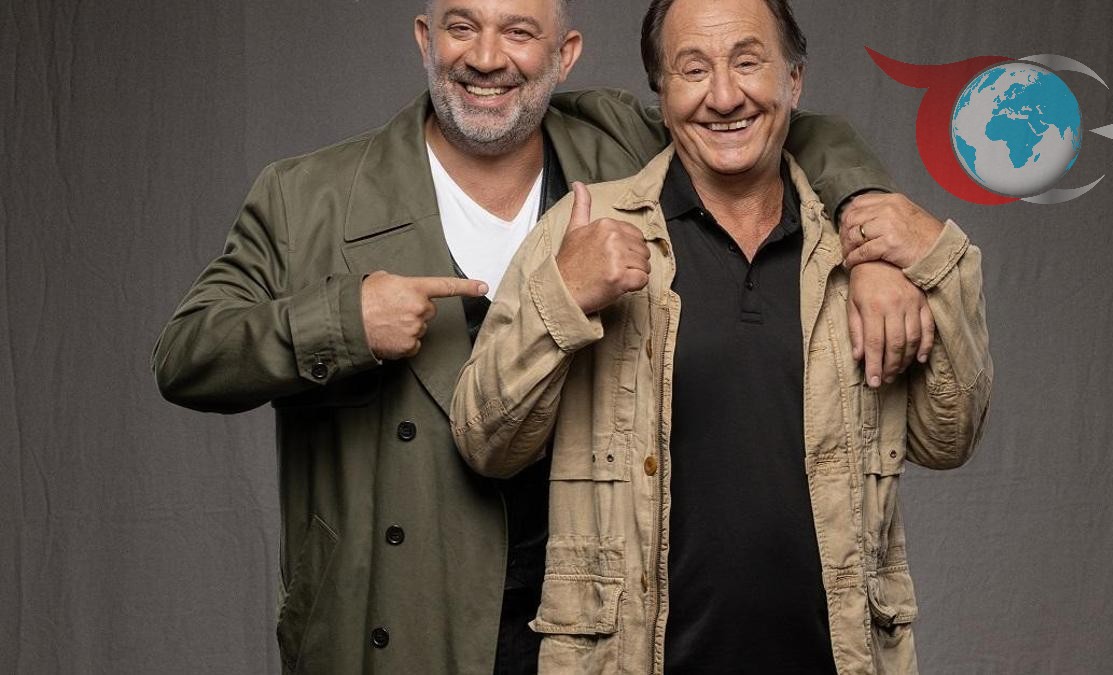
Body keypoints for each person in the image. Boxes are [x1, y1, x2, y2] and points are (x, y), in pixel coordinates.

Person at [153, 0, 933, 672]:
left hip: (601, 625)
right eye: (463, 27)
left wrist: (868, 237)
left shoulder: (623, 147)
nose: (487, 58)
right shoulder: (310, 196)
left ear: (565, 54)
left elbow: (788, 130)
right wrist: (343, 319)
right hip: (405, 614)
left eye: (520, 32)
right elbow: (187, 353)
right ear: (425, 39)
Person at [450, 0, 993, 672]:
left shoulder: (863, 248)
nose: (725, 96)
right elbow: (486, 442)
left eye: (747, 62)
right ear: (662, 93)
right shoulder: (584, 228)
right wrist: (562, 296)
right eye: (693, 69)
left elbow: (948, 439)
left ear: (794, 80)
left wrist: (942, 260)